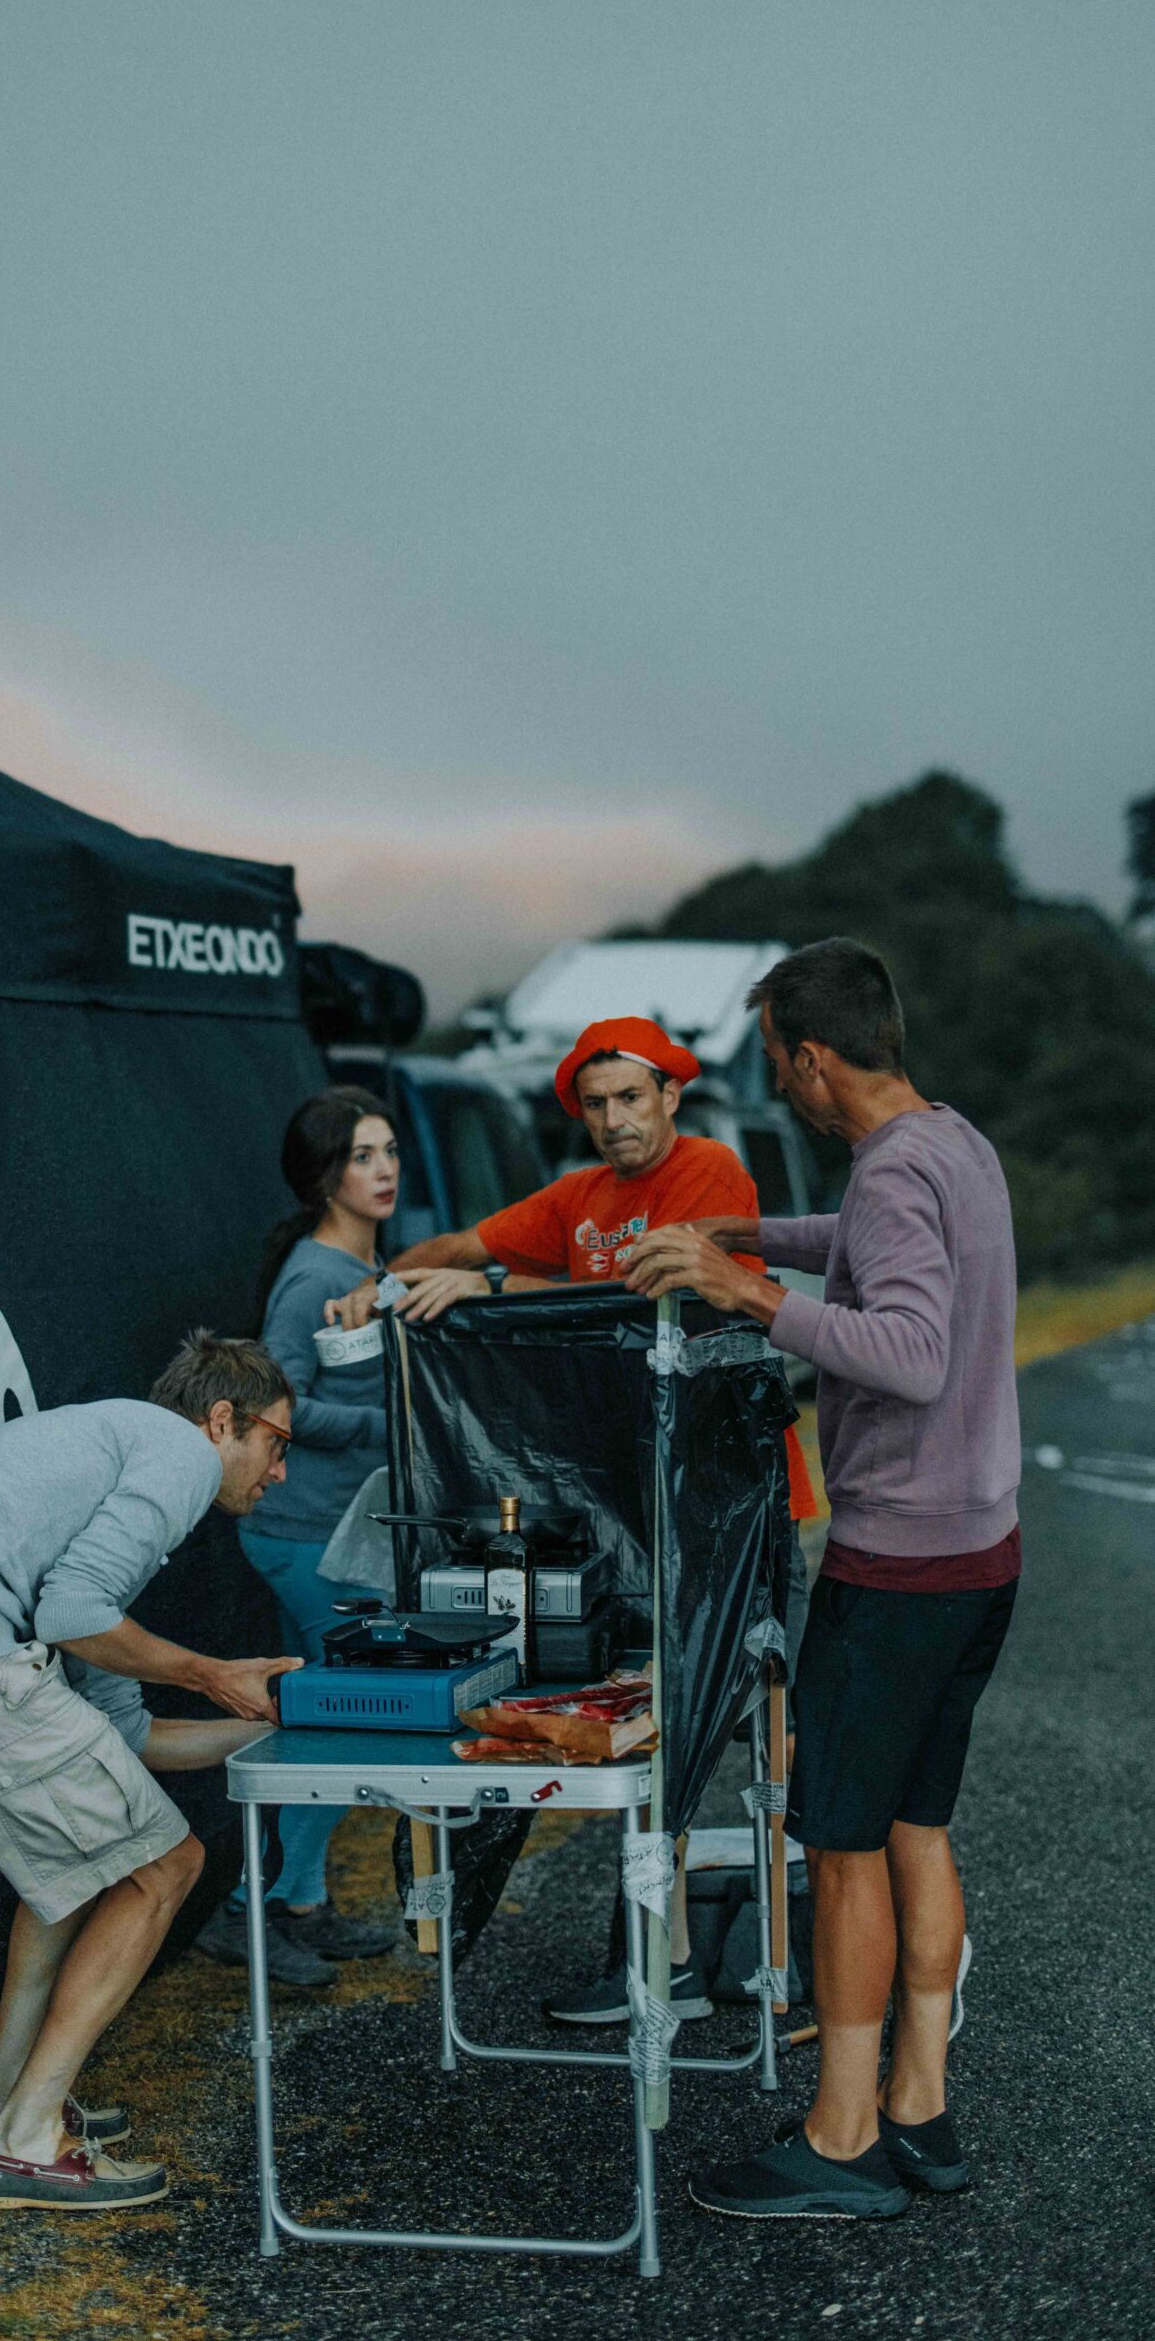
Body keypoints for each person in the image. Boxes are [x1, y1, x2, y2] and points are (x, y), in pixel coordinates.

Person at [620, 940, 1020, 2223]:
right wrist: (755, 1233)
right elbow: (874, 1247)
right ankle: (916, 2108)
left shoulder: (892, 1168)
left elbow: (907, 1349)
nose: (779, 1085)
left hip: (896, 1565)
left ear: (808, 1057)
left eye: (776, 1062)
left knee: (840, 1850)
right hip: (979, 1552)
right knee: (916, 1828)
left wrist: (744, 1291)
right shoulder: (950, 1141)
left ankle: (840, 2141)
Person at [327, 1016, 819, 2023]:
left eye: (630, 1097)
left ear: (670, 1096)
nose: (612, 1119)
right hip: (632, 1506)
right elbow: (461, 1245)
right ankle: (666, 1961)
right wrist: (381, 1287)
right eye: (594, 1104)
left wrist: (491, 1286)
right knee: (651, 1714)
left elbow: (651, 1294)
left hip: (732, 1507)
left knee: (769, 1729)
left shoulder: (708, 1169)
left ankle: (793, 1953)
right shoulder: (578, 1196)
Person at [0, 1331, 302, 2213]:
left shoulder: (107, 1464)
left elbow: (128, 1736)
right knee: (167, 1867)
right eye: (277, 1443)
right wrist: (214, 1673)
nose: (280, 1471)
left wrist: (276, 1725)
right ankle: (25, 2142)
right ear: (221, 1420)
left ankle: (1, 2105)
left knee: (80, 1871)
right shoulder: (176, 1453)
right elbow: (76, 1612)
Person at [194, 1087, 402, 1986]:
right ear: (324, 1177)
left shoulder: (368, 1262)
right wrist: (390, 1426)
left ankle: (300, 1902)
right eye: (361, 1156)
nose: (384, 1169)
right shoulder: (315, 1278)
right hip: (303, 1534)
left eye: (389, 1150)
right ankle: (246, 1908)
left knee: (314, 1707)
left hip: (338, 1530)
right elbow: (273, 1404)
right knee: (351, 1711)